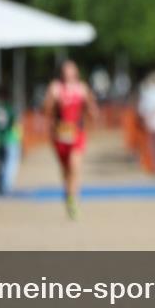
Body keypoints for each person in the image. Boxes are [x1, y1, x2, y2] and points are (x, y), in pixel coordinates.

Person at [42, 60, 99, 219]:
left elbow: (91, 108)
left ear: (76, 72)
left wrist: (92, 113)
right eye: (66, 70)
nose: (68, 73)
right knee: (66, 171)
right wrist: (50, 100)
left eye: (71, 70)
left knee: (75, 167)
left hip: (77, 134)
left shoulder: (82, 88)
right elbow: (46, 110)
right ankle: (68, 194)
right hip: (60, 135)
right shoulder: (55, 87)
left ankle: (73, 199)